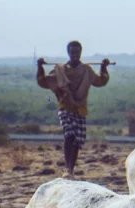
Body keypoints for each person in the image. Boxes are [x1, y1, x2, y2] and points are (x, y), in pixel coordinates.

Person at [37, 41, 110, 177]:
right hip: (65, 107)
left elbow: (101, 81)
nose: (75, 55)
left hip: (80, 109)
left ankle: (72, 169)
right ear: (68, 53)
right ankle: (67, 168)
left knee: (76, 141)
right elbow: (43, 82)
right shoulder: (60, 70)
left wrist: (104, 67)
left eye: (77, 52)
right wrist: (40, 67)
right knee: (69, 135)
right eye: (72, 52)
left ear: (80, 52)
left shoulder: (86, 70)